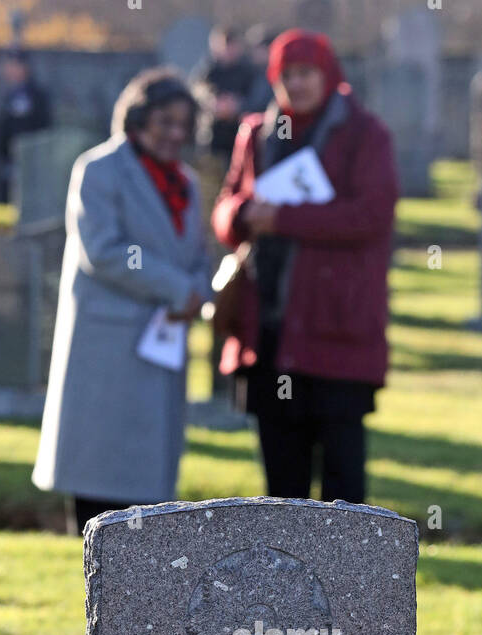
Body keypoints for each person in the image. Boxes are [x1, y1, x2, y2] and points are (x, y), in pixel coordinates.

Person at [211, 29, 398, 505]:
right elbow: (225, 210)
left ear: (328, 74)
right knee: (281, 492)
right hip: (269, 332)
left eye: (306, 72)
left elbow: (371, 216)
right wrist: (242, 214)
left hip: (336, 326)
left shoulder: (366, 135)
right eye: (286, 74)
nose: (296, 84)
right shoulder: (255, 133)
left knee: (344, 491)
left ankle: (351, 583)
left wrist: (283, 218)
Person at [32, 69, 211, 533]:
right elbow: (105, 252)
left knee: (149, 499)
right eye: (164, 122)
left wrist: (201, 290)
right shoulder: (99, 169)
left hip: (160, 344)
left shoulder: (185, 183)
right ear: (136, 119)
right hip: (106, 347)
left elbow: (197, 254)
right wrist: (178, 289)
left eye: (183, 124)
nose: (175, 133)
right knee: (99, 482)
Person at [192, 27, 257, 164]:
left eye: (231, 45)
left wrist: (238, 106)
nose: (228, 50)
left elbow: (258, 100)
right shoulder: (209, 70)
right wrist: (211, 102)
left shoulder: (249, 71)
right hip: (212, 137)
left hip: (240, 135)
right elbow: (197, 91)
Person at [0, 47, 52, 203]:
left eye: (13, 65)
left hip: (30, 155)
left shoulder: (37, 94)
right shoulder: (4, 93)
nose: (9, 70)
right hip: (8, 156)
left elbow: (43, 125)